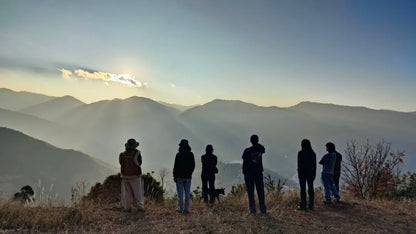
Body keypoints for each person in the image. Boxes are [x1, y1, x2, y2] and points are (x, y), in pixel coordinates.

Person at [242, 134, 267, 214]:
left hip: (249, 173)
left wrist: (244, 172)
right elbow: (263, 149)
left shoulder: (247, 151)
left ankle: (252, 210)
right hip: (258, 172)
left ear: (250, 141)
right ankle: (263, 209)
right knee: (260, 191)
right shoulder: (260, 149)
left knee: (250, 192)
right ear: (258, 140)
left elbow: (244, 162)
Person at [119, 138, 144, 211]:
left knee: (127, 193)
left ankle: (127, 207)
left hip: (125, 176)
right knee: (138, 192)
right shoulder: (137, 153)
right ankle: (139, 206)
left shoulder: (122, 154)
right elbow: (139, 163)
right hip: (135, 176)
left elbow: (121, 163)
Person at [173, 139, 195, 214]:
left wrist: (174, 176)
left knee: (180, 194)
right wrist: (190, 174)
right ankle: (187, 209)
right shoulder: (191, 154)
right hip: (188, 177)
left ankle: (180, 208)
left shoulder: (178, 155)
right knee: (187, 193)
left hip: (179, 177)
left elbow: (175, 166)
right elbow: (193, 166)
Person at [297, 139, 316, 210]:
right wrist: (314, 174)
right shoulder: (313, 153)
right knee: (311, 188)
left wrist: (299, 173)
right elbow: (314, 165)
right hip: (310, 173)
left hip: (302, 173)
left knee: (303, 189)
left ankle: (303, 205)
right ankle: (311, 205)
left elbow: (299, 164)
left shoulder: (300, 153)